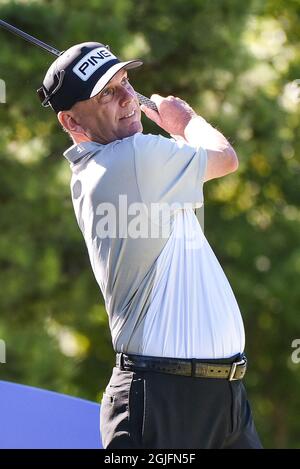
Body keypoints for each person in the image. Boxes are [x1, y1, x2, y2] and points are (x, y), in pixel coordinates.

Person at [38, 41, 262, 449]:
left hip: (221, 398)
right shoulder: (132, 159)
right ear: (72, 122)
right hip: (162, 399)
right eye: (106, 92)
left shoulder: (114, 164)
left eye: (125, 81)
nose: (127, 98)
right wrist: (186, 121)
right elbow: (224, 158)